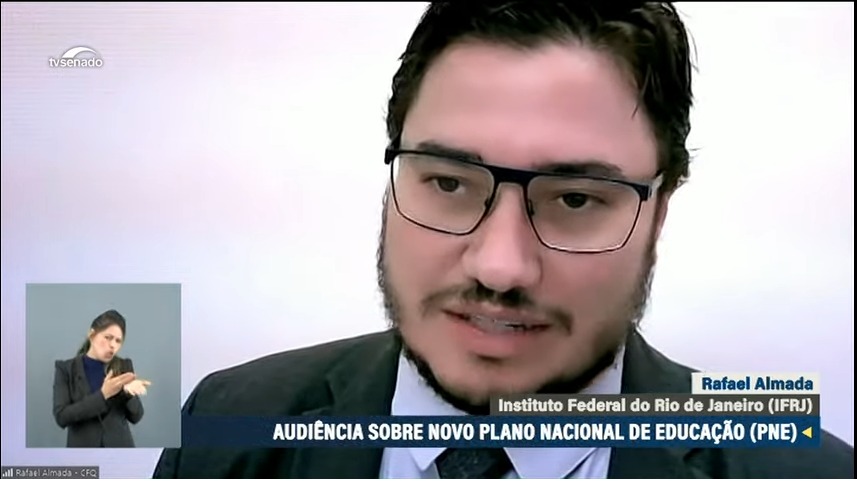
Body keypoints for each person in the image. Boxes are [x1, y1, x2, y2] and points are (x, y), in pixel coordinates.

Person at [153, 1, 854, 478]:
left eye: (575, 199)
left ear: (659, 210)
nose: (500, 265)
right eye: (449, 183)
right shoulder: (228, 425)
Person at [53, 309, 151, 448]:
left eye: (118, 341)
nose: (113, 345)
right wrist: (103, 395)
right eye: (108, 337)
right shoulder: (66, 369)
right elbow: (62, 417)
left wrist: (128, 394)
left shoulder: (124, 366)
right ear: (92, 335)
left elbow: (136, 416)